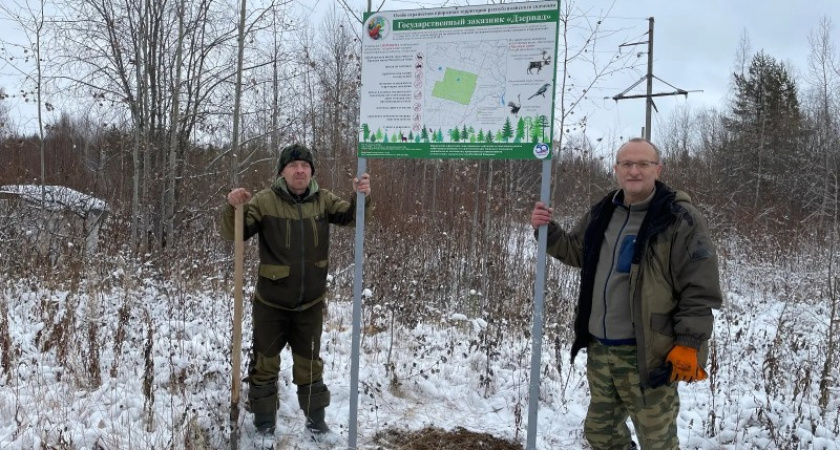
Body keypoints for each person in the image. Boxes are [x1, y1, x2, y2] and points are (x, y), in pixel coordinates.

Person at [530, 137, 722, 450]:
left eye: (643, 164)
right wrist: (546, 231)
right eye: (626, 164)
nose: (634, 171)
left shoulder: (678, 219)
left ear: (658, 169)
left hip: (647, 354)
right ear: (616, 169)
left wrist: (689, 342)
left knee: (657, 441)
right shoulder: (603, 212)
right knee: (601, 433)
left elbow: (700, 289)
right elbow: (576, 251)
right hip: (601, 350)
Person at [221, 143, 371, 436]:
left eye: (304, 165)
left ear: (312, 171)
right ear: (282, 172)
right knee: (264, 365)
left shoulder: (323, 200)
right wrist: (232, 207)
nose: (299, 170)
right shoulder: (265, 202)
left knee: (310, 365)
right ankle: (264, 427)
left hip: (310, 304)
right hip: (271, 304)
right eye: (293, 166)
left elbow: (352, 216)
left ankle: (316, 423)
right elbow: (234, 233)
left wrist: (361, 196)